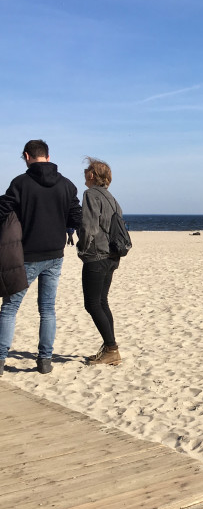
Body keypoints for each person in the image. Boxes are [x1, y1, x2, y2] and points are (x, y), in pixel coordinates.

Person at [0, 140, 82, 375]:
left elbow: (3, 210)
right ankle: (45, 361)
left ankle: (0, 360)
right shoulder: (67, 185)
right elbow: (76, 217)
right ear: (47, 156)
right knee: (47, 309)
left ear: (27, 156)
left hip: (26, 255)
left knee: (9, 308)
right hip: (55, 255)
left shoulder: (20, 183)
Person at [76, 157, 124, 366]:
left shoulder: (90, 195)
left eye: (87, 171)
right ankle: (109, 348)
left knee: (92, 304)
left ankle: (112, 349)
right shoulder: (112, 198)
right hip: (112, 256)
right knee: (102, 302)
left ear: (93, 175)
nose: (85, 175)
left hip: (96, 255)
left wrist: (82, 248)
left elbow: (88, 226)